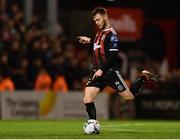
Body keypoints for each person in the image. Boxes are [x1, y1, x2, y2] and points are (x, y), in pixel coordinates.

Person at [78, 7, 160, 126]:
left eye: (98, 19)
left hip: (110, 72)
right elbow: (99, 44)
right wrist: (89, 40)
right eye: (95, 21)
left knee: (129, 97)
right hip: (97, 72)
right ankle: (92, 124)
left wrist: (101, 70)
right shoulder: (99, 33)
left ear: (105, 16)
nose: (96, 22)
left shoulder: (112, 35)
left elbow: (112, 57)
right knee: (87, 98)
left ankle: (144, 77)